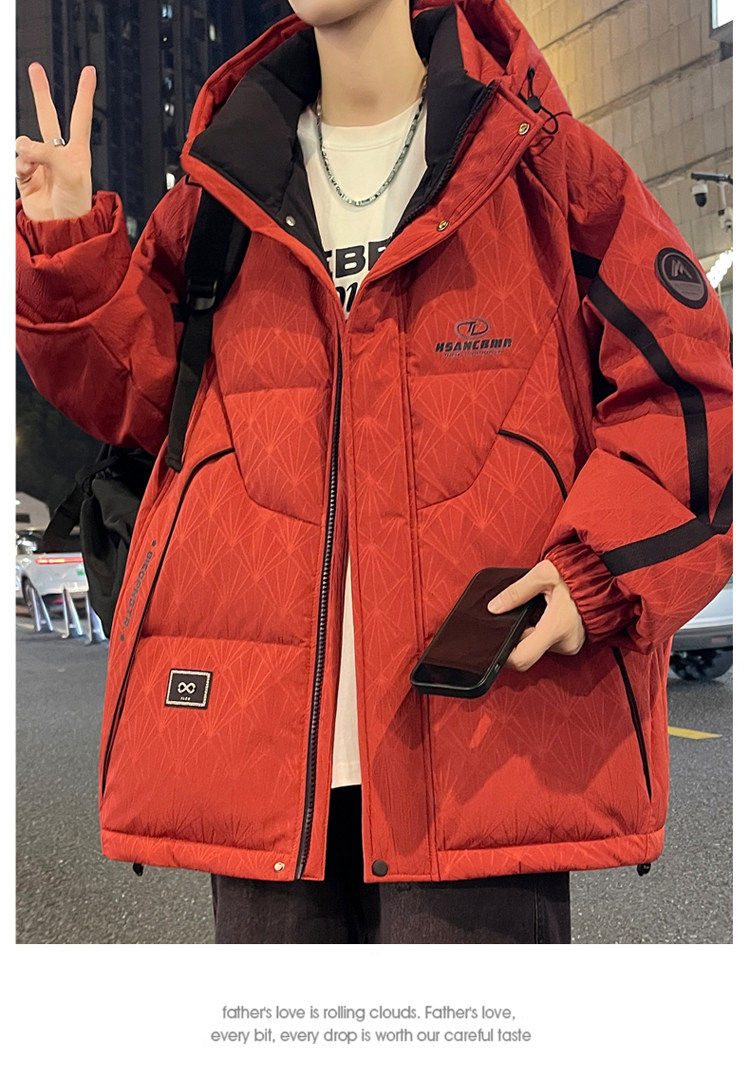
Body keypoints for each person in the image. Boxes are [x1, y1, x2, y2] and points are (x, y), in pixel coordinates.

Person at [16, 0, 732, 945]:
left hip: (483, 744)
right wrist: (68, 245)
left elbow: (689, 388)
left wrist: (593, 567)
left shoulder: (544, 167)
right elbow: (140, 403)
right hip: (265, 759)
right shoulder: (222, 195)